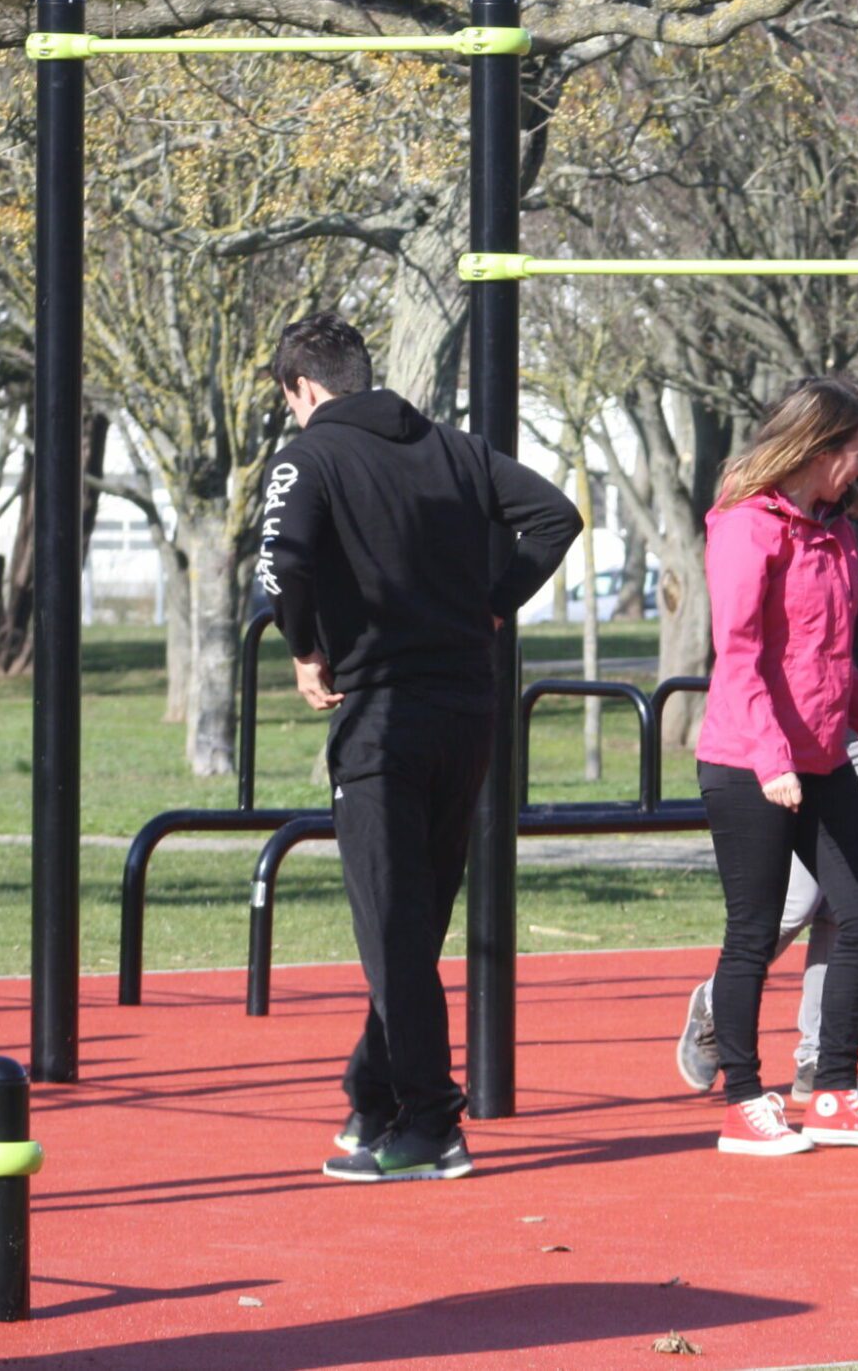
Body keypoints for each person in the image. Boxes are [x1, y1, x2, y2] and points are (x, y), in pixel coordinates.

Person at [256, 312, 582, 1182]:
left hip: (384, 716)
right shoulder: (453, 447)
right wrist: (493, 600)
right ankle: (374, 1092)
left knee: (394, 927)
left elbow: (279, 566)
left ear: (304, 389)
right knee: (412, 920)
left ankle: (432, 1123)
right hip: (467, 710)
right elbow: (555, 516)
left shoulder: (308, 455)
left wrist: (304, 647)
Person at [690, 376, 858, 1156]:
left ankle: (831, 1088)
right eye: (857, 454)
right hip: (747, 759)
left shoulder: (834, 533)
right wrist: (770, 758)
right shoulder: (746, 526)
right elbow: (740, 656)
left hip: (819, 755)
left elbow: (831, 666)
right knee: (754, 930)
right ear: (818, 448)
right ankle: (742, 1101)